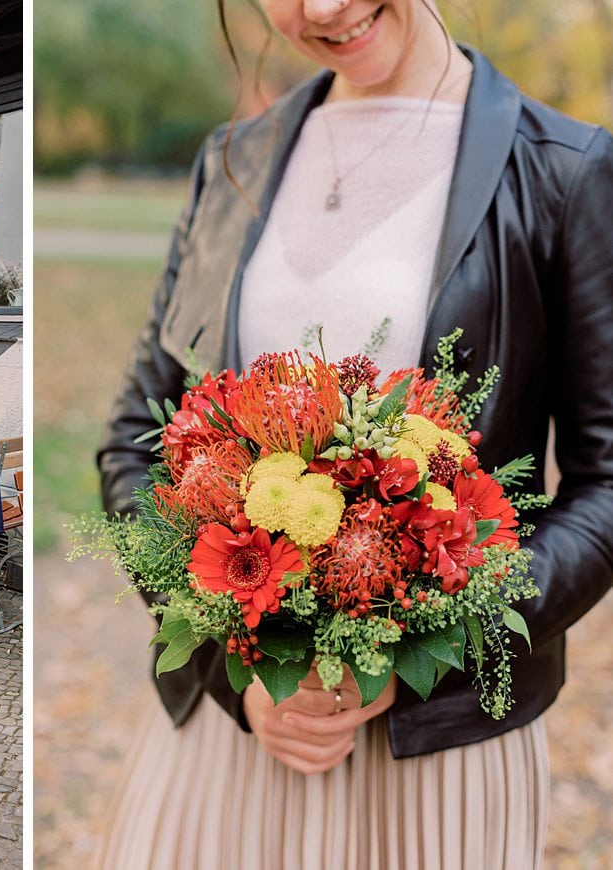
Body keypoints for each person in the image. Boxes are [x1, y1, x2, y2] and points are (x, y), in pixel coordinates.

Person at [96, 0, 613, 866]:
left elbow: (606, 483)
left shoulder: (565, 168)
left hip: (435, 751)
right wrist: (240, 668)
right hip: (235, 723)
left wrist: (430, 636)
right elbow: (131, 439)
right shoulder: (234, 164)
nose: (325, 8)